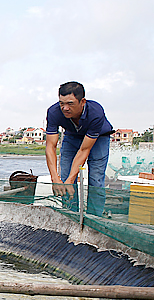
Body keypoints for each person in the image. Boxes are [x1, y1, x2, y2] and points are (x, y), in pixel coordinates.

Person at [44, 81, 113, 216]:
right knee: (65, 177)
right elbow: (50, 147)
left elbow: (84, 150)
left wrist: (71, 179)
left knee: (96, 178)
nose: (65, 108)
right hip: (72, 136)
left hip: (98, 138)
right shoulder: (53, 112)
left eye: (70, 103)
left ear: (82, 102)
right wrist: (55, 179)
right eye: (62, 103)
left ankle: (95, 217)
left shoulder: (96, 112)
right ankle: (70, 215)